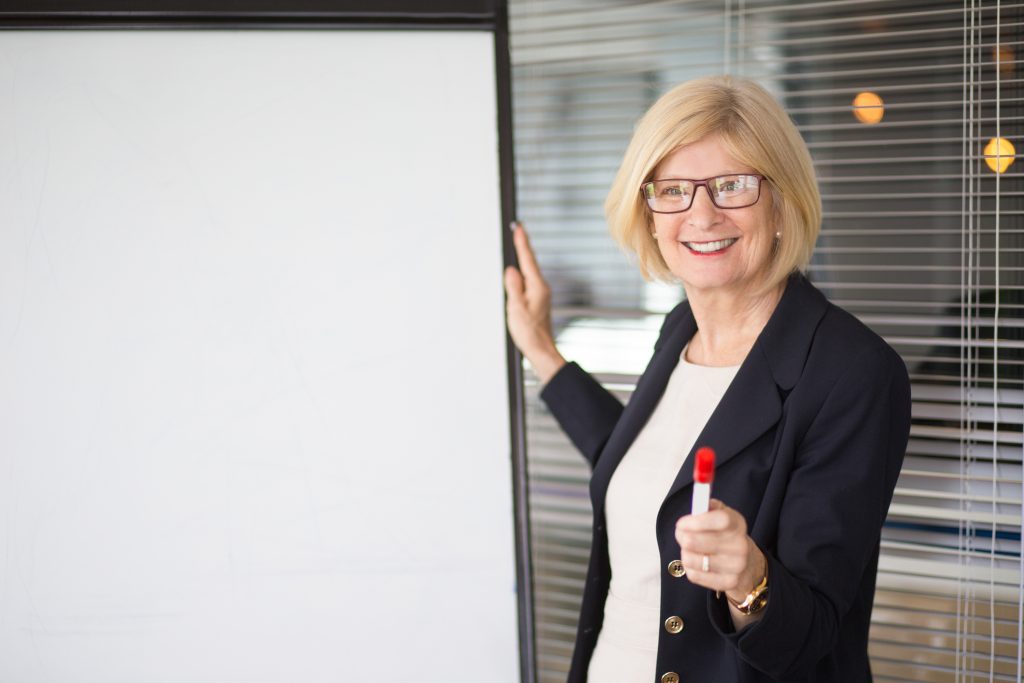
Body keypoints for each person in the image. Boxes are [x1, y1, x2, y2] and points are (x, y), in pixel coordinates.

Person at [503, 75, 912, 683]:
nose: (701, 214)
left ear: (782, 200)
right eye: (673, 189)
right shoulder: (679, 331)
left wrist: (750, 579)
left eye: (731, 186)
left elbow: (814, 636)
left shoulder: (852, 372)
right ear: (648, 209)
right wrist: (542, 350)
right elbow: (652, 465)